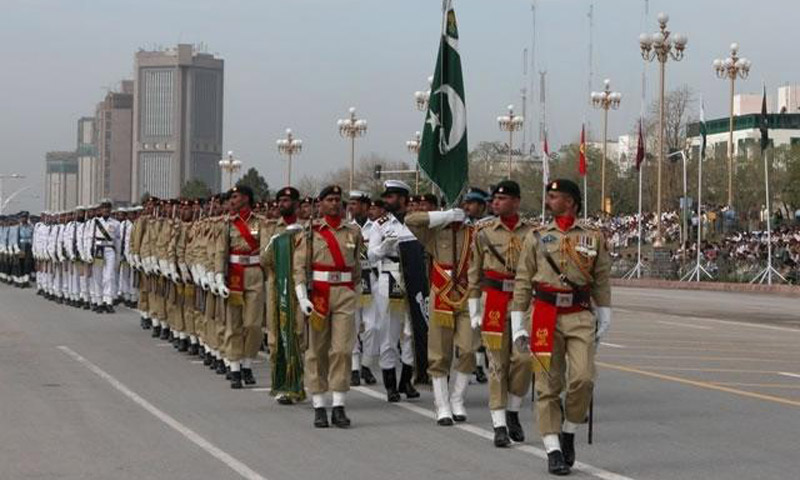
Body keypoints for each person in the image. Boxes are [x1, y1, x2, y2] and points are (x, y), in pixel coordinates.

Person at [511, 179, 612, 476]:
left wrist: (605, 313)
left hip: (579, 315)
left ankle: (569, 430)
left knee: (582, 379)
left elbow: (602, 278)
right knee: (547, 384)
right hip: (543, 313)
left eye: (554, 197)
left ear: (571, 201)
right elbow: (522, 280)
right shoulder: (537, 236)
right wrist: (518, 323)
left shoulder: (592, 237)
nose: (549, 201)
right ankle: (553, 448)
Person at [467, 180, 534, 448]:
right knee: (497, 364)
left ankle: (513, 410)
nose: (495, 203)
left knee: (525, 360)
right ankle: (499, 425)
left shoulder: (532, 233)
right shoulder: (483, 232)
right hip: (492, 300)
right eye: (494, 199)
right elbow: (474, 272)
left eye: (502, 199)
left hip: (522, 302)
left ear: (516, 202)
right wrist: (474, 309)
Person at [293, 185, 363, 428]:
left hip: (344, 293)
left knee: (343, 350)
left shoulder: (353, 232)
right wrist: (302, 296)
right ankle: (319, 405)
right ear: (320, 204)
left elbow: (356, 269)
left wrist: (356, 294)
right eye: (330, 200)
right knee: (317, 350)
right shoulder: (310, 232)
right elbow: (299, 267)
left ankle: (339, 405)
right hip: (319, 294)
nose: (335, 203)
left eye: (337, 199)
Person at [406, 200, 478, 425]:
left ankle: (457, 399)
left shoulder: (474, 233)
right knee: (439, 352)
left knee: (468, 350)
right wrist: (443, 216)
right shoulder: (435, 233)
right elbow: (410, 220)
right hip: (442, 293)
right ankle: (442, 404)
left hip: (468, 294)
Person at [368, 180, 420, 402]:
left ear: (402, 198)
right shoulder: (380, 224)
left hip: (414, 275)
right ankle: (390, 384)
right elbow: (370, 255)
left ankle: (406, 379)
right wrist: (383, 248)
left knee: (412, 332)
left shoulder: (416, 221)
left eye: (391, 197)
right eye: (386, 197)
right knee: (389, 330)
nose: (387, 201)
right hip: (390, 274)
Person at [216, 186, 265, 389]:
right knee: (233, 323)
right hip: (234, 274)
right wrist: (219, 276)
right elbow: (220, 251)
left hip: (254, 273)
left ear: (246, 198)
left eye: (235, 197)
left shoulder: (261, 222)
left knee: (253, 324)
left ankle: (247, 363)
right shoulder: (227, 224)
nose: (232, 200)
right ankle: (235, 367)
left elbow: (266, 250)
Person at [260, 186, 305, 404]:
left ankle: (297, 382)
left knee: (298, 334)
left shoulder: (306, 229)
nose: (282, 204)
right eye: (280, 200)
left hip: (301, 288)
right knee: (275, 337)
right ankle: (282, 383)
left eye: (287, 200)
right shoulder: (271, 228)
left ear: (296, 204)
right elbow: (264, 260)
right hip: (277, 287)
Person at [346, 190, 379, 387]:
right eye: (349, 204)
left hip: (372, 279)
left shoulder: (375, 228)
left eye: (355, 204)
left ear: (366, 207)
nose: (351, 207)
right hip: (352, 280)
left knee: (373, 326)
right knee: (352, 324)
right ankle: (355, 367)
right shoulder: (347, 229)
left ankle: (367, 363)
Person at [461, 187, 490, 384]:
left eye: (471, 203)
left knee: (480, 325)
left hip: (483, 282)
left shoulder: (489, 227)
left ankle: (479, 365)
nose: (467, 207)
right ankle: (470, 364)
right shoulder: (461, 226)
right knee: (466, 327)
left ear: (481, 206)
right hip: (462, 282)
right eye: (466, 203)